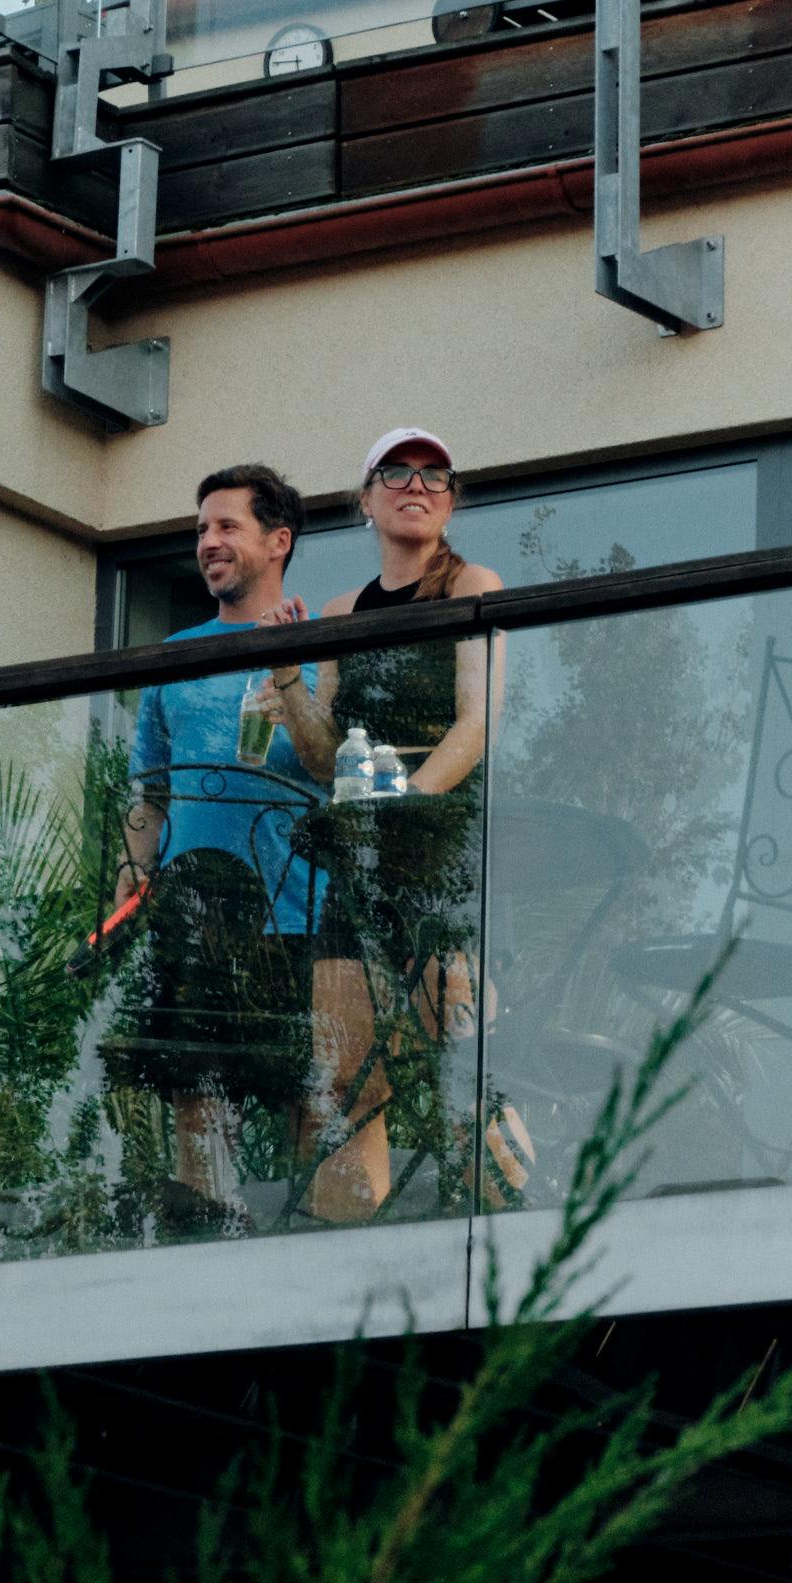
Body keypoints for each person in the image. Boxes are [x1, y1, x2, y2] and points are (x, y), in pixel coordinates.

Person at [277, 427, 506, 1222]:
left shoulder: (473, 582)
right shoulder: (342, 610)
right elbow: (317, 756)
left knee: (462, 1047)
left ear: (450, 500)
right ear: (366, 498)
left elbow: (476, 725)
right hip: (357, 848)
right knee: (344, 1063)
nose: (417, 485)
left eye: (434, 476)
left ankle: (495, 1209)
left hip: (437, 842)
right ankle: (354, 1226)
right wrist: (286, 678)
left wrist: (403, 809)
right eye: (397, 473)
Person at [107, 465, 321, 1236]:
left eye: (226, 526)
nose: (208, 543)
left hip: (295, 911)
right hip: (189, 909)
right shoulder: (176, 653)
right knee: (197, 1084)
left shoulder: (320, 643)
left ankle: (311, 1240)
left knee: (308, 1086)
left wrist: (291, 677)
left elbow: (332, 767)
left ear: (278, 540)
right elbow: (146, 794)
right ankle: (214, 1228)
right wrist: (129, 890)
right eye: (202, 529)